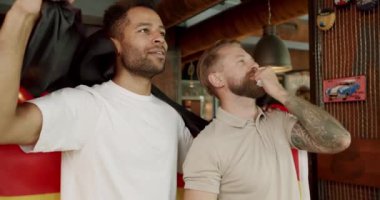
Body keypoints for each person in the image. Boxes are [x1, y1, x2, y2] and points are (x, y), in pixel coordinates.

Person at [0, 0, 193, 199]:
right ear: (116, 44)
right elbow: (3, 127)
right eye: (144, 30)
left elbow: (213, 166)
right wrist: (23, 13)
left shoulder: (171, 117)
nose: (159, 39)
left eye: (162, 33)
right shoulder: (87, 105)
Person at [182, 39, 351, 200]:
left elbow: (340, 140)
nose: (255, 65)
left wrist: (281, 93)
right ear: (217, 79)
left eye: (253, 60)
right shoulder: (207, 145)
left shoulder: (279, 121)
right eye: (241, 61)